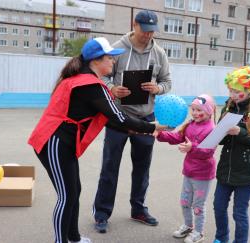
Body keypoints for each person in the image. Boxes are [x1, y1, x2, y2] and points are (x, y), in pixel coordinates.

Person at [28, 37, 166, 243]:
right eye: (110, 58)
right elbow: (120, 117)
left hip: (62, 143)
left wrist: (142, 130)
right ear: (96, 61)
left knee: (74, 191)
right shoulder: (90, 85)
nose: (113, 62)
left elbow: (110, 121)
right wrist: (152, 126)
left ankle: (73, 237)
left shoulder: (85, 81)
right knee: (66, 196)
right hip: (54, 142)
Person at [93, 10, 171, 233]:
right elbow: (102, 76)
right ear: (134, 25)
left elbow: (167, 81)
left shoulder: (159, 53)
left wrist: (158, 88)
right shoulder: (116, 49)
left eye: (152, 31)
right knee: (109, 168)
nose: (148, 35)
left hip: (146, 118)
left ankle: (138, 209)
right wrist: (112, 89)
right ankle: (101, 214)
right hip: (118, 117)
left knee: (142, 168)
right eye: (145, 30)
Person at [213, 66, 250, 243]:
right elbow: (221, 139)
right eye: (230, 90)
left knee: (239, 212)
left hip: (247, 171)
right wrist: (218, 133)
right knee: (218, 206)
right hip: (226, 169)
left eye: (236, 91)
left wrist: (240, 132)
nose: (232, 94)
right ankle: (221, 238)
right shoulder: (228, 106)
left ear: (248, 90)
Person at [155, 94, 217, 243]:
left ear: (209, 111)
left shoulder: (212, 128)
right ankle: (188, 226)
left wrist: (192, 147)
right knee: (184, 202)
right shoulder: (191, 124)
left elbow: (208, 151)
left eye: (199, 110)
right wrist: (160, 134)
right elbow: (177, 137)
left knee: (198, 206)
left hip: (203, 174)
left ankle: (199, 232)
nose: (195, 113)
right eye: (193, 109)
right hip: (189, 171)